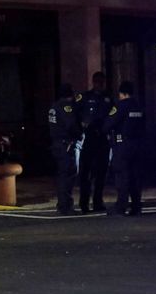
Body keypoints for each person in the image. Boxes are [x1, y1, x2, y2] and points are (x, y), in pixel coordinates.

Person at [103, 81, 145, 216]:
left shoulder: (121, 106)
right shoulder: (138, 106)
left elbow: (107, 124)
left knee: (122, 176)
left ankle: (120, 207)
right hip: (138, 146)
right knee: (135, 177)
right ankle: (136, 207)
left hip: (123, 145)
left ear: (122, 93)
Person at [77, 71, 112, 214]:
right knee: (86, 173)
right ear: (93, 82)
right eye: (97, 82)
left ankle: (98, 202)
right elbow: (76, 114)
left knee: (101, 174)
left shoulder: (108, 98)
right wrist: (82, 128)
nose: (99, 85)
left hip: (102, 139)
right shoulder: (84, 97)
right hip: (89, 138)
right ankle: (84, 203)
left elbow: (112, 116)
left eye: (101, 82)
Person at [48, 83, 81, 215]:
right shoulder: (66, 107)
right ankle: (65, 205)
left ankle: (63, 204)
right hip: (66, 145)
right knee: (68, 175)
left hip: (57, 144)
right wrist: (79, 134)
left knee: (62, 174)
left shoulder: (54, 106)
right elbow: (70, 125)